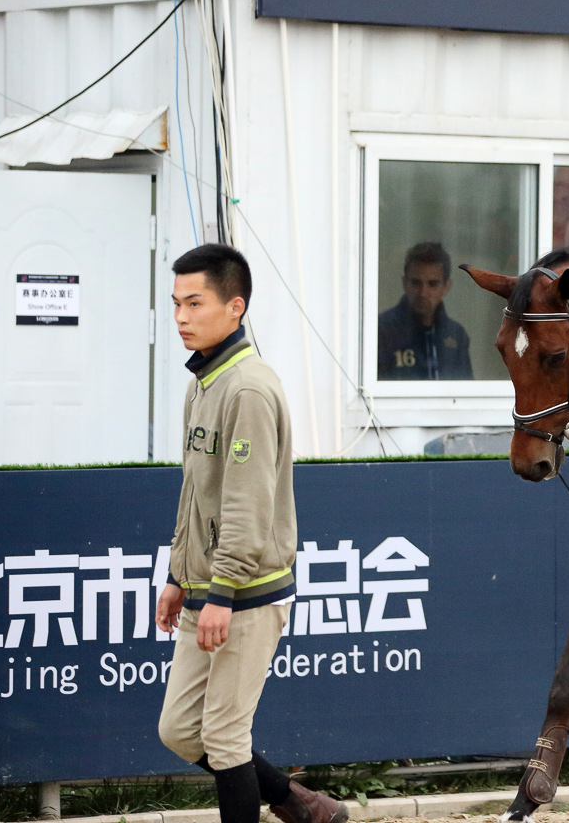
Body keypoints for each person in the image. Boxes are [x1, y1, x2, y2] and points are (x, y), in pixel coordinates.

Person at [155, 244, 347, 823]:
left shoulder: (248, 388)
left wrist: (221, 594)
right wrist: (175, 577)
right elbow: (196, 494)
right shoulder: (203, 382)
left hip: (244, 592)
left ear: (235, 307)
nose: (182, 317)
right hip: (202, 587)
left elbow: (247, 503)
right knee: (182, 732)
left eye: (195, 303)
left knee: (225, 735)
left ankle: (295, 806)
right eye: (175, 304)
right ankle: (298, 803)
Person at [378, 241, 473, 380]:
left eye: (432, 284)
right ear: (405, 283)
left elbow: (466, 393)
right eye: (416, 283)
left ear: (447, 286)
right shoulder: (383, 331)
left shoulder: (456, 335)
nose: (423, 292)